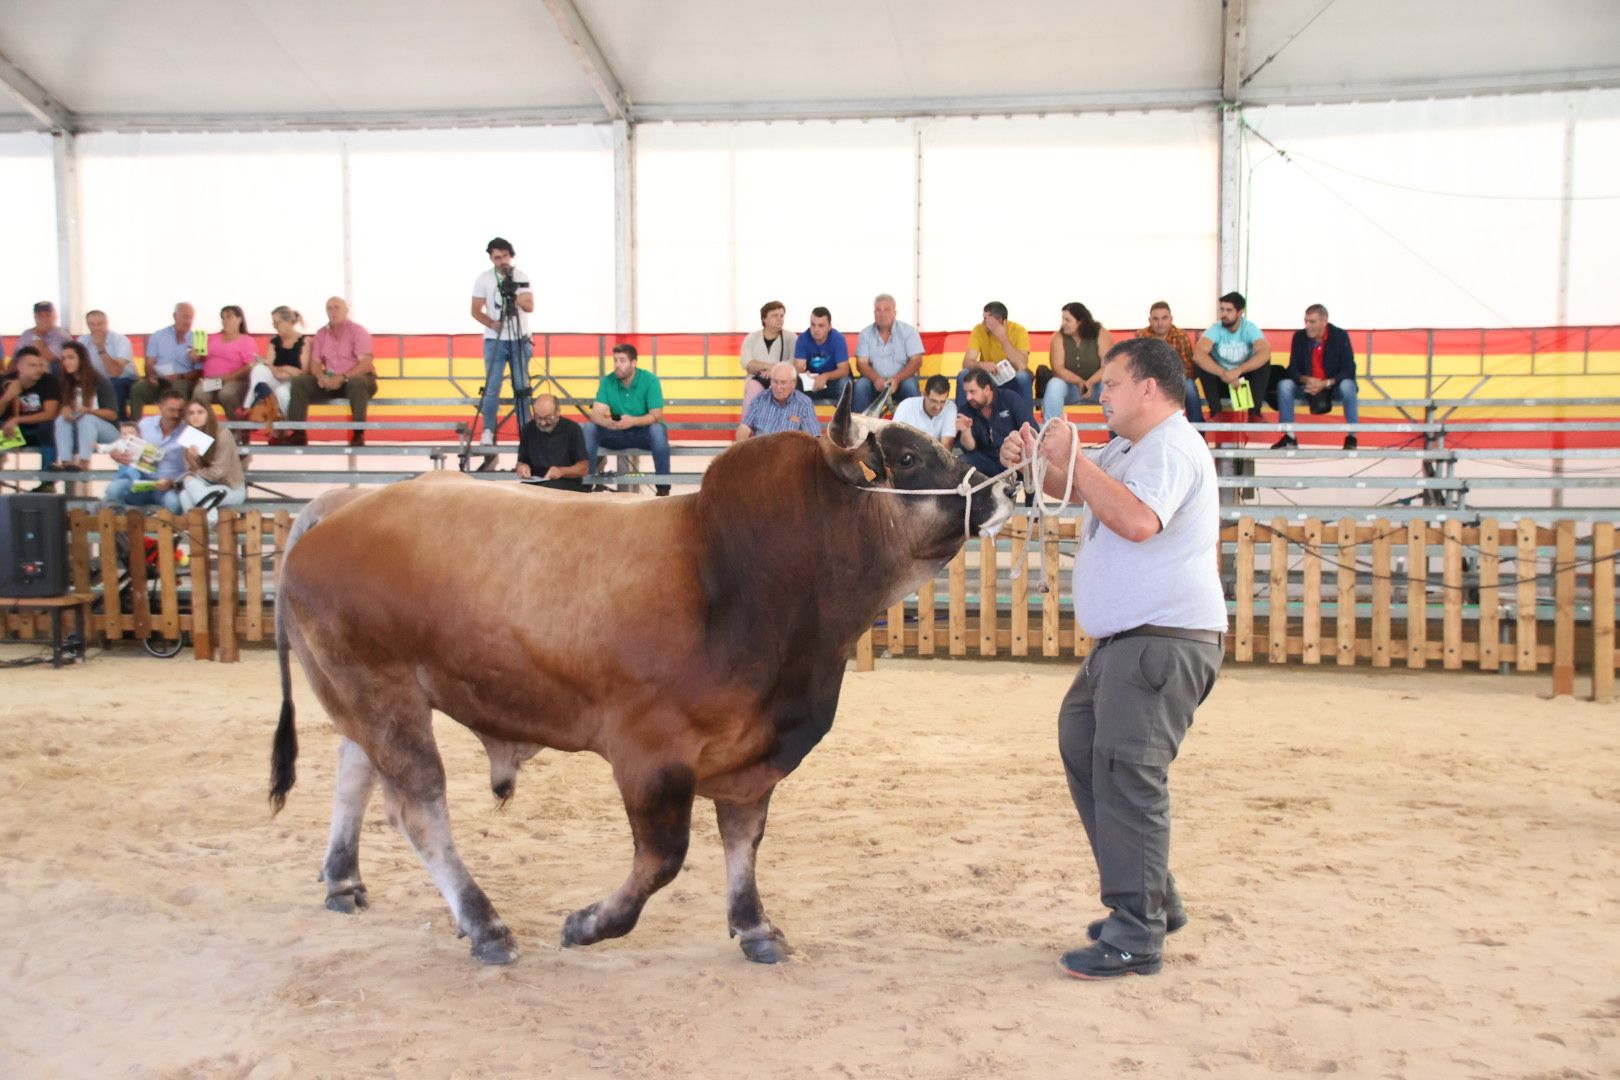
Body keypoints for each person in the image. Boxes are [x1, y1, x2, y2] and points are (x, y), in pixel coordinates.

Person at [998, 336, 1224, 981]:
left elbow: (1135, 520)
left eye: (1114, 384)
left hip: (1161, 639)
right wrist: (1030, 461)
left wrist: (1072, 460)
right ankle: (1152, 899)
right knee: (1087, 746)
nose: (1102, 393)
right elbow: (1073, 486)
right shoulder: (1131, 447)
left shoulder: (1174, 446)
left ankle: (1135, 933)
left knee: (1128, 774)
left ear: (1149, 387)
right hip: (1130, 641)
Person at [583, 343, 672, 496]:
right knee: (588, 428)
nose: (617, 365)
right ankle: (585, 483)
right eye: (615, 360)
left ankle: (663, 489)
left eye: (622, 360)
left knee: (658, 429)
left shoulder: (650, 380)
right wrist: (608, 423)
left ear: (633, 363)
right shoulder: (608, 381)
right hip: (616, 432)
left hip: (642, 434)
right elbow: (596, 414)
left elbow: (656, 416)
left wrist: (632, 421)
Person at [470, 236, 535, 443]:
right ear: (491, 258)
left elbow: (530, 306)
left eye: (505, 256)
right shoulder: (484, 279)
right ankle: (488, 430)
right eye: (497, 257)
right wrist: (491, 323)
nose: (502, 261)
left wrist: (514, 296)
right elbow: (475, 310)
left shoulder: (521, 276)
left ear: (511, 255)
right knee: (492, 388)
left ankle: (525, 431)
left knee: (521, 387)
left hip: (519, 338)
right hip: (494, 339)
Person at [288, 297, 376, 446]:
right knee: (299, 382)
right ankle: (298, 433)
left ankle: (358, 434)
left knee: (357, 382)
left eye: (337, 307)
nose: (333, 311)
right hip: (331, 379)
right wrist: (321, 377)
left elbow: (366, 363)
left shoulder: (358, 331)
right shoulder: (321, 334)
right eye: (329, 308)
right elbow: (315, 363)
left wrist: (342, 377)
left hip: (357, 379)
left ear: (346, 310)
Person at [1273, 304, 1359, 451]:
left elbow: (1349, 369)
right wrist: (1306, 380)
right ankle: (1290, 436)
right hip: (1307, 386)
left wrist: (1326, 383)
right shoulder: (1299, 337)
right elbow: (1292, 369)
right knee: (1284, 385)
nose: (1307, 326)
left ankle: (1352, 436)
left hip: (1332, 386)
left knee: (1348, 386)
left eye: (1312, 322)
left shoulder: (1340, 336)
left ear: (1324, 321)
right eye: (1305, 321)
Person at [104, 388, 190, 512]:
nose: (176, 415)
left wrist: (173, 482)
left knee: (174, 503)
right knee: (114, 489)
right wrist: (116, 453)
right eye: (171, 410)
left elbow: (197, 468)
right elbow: (126, 444)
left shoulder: (188, 431)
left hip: (170, 486)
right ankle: (119, 526)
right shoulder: (145, 424)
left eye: (180, 411)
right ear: (160, 407)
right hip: (142, 482)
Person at [1193, 291, 1271, 422]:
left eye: (1229, 310)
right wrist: (1223, 373)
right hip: (1221, 381)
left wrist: (1237, 371)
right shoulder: (1215, 329)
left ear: (1240, 312)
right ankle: (1216, 412)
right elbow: (1198, 355)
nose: (1224, 314)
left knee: (1263, 361)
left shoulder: (1249, 328)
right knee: (1201, 364)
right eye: (1222, 309)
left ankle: (1255, 413)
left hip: (1243, 382)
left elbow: (1265, 352)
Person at [50, 341, 118, 471]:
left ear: (82, 359)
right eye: (63, 359)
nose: (66, 362)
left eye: (71, 358)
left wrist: (89, 411)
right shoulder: (66, 383)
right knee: (61, 420)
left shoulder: (99, 381)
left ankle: (84, 462)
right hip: (80, 430)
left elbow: (112, 414)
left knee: (87, 419)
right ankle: (65, 462)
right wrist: (64, 409)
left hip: (107, 432)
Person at [955, 366, 1033, 478]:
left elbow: (1030, 428)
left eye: (972, 392)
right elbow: (970, 448)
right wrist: (965, 431)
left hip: (1012, 457)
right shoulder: (966, 409)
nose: (968, 397)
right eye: (966, 392)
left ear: (987, 389)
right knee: (962, 462)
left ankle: (1030, 495)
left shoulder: (1009, 399)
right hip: (986, 459)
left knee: (1030, 466)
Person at [853, 293, 925, 413]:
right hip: (874, 382)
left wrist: (897, 379)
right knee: (861, 386)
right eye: (878, 310)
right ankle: (859, 429)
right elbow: (861, 364)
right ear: (874, 313)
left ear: (895, 313)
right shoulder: (865, 334)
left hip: (901, 381)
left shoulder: (908, 331)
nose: (882, 314)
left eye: (887, 309)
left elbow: (917, 360)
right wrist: (876, 379)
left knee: (911, 385)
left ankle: (914, 429)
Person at [177, 399, 246, 524]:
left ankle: (207, 523)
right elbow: (191, 470)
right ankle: (206, 526)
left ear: (208, 414)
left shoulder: (223, 434)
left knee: (189, 483)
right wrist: (192, 459)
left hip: (231, 488)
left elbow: (219, 472)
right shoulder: (190, 436)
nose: (195, 416)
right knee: (184, 493)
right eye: (191, 413)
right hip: (205, 487)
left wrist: (196, 463)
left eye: (200, 412)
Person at [129, 303, 202, 420]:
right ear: (175, 316)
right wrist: (152, 375)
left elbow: (199, 370)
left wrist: (181, 376)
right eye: (185, 316)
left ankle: (179, 427)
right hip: (160, 380)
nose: (188, 321)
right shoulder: (158, 336)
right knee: (138, 388)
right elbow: (149, 362)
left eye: (190, 317)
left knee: (178, 387)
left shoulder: (197, 339)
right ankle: (134, 429)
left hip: (183, 380)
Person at [1135, 301, 1204, 425]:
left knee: (1189, 386)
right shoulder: (1141, 336)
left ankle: (1198, 430)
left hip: (1176, 380)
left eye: (1164, 318)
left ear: (1171, 319)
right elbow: (1139, 365)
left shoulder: (1181, 336)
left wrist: (1170, 379)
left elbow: (1188, 368)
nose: (1160, 323)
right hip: (1150, 380)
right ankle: (1138, 430)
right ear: (1149, 320)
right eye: (1156, 319)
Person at [1044, 302, 1114, 421]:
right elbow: (1058, 368)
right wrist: (1079, 382)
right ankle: (1051, 428)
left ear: (1080, 321)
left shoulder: (1101, 333)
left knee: (1108, 384)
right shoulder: (1058, 337)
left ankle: (1118, 431)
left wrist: (1090, 382)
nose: (1063, 323)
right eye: (1062, 319)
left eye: (1067, 320)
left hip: (1096, 387)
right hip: (1070, 388)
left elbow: (1107, 366)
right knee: (1054, 384)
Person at [0, 347, 61, 481]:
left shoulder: (49, 382)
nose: (38, 369)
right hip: (11, 434)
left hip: (38, 433)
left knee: (48, 427)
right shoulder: (5, 381)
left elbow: (50, 414)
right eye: (32, 365)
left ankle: (47, 479)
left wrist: (18, 419)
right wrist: (8, 396)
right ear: (19, 366)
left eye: (40, 365)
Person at [958, 301, 1033, 405]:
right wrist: (982, 365)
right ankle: (962, 417)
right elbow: (966, 363)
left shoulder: (1019, 331)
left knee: (1023, 377)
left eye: (986, 319)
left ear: (999, 321)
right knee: (964, 374)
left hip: (1011, 378)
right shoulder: (979, 329)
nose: (983, 323)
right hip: (987, 378)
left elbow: (1021, 365)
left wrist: (1003, 339)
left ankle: (1026, 420)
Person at [516, 393, 591, 492]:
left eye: (548, 418)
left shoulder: (572, 429)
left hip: (566, 484)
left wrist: (561, 471)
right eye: (538, 418)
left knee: (548, 489)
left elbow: (583, 468)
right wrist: (522, 467)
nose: (543, 423)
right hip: (536, 483)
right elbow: (521, 461)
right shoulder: (528, 429)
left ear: (558, 412)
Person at [192, 305, 258, 418]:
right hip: (212, 380)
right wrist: (194, 354)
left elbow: (250, 365)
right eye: (223, 318)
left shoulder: (246, 340)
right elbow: (198, 357)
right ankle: (202, 430)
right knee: (199, 393)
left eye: (229, 317)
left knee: (227, 393)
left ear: (239, 319)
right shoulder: (212, 338)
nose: (225, 321)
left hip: (235, 380)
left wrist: (229, 377)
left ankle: (237, 429)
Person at [247, 305, 310, 417]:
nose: (275, 327)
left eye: (277, 323)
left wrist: (279, 369)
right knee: (259, 369)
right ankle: (249, 406)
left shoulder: (305, 341)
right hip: (276, 378)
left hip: (294, 383)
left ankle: (288, 427)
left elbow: (302, 373)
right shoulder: (274, 341)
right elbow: (268, 365)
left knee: (282, 392)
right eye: (273, 323)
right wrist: (285, 369)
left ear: (288, 322)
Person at [736, 362, 821, 440]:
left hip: (790, 453)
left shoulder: (804, 404)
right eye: (775, 381)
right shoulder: (760, 399)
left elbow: (814, 437)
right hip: (761, 451)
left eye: (783, 382)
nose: (778, 387)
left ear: (793, 384)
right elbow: (744, 427)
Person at [739, 300, 797, 410]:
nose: (780, 319)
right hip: (757, 380)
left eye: (782, 315)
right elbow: (747, 363)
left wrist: (773, 372)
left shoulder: (791, 338)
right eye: (775, 315)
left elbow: (794, 363)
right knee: (753, 390)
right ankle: (747, 425)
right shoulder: (751, 338)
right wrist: (769, 367)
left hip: (783, 382)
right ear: (764, 318)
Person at [79, 310, 137, 419]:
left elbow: (115, 372)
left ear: (107, 323)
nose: (96, 328)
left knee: (114, 384)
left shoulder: (121, 340)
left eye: (100, 324)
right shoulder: (82, 341)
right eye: (92, 324)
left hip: (123, 379)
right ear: (87, 325)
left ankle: (119, 422)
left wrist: (101, 348)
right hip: (95, 380)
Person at [793, 307, 851, 403]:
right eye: (813, 325)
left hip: (833, 381)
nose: (816, 329)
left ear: (829, 327)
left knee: (845, 382)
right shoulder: (803, 339)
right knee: (794, 382)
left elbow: (844, 370)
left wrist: (825, 376)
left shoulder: (838, 338)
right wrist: (803, 373)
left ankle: (843, 415)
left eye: (821, 326)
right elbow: (799, 366)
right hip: (812, 382)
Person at [891, 374, 958, 449]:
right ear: (924, 394)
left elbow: (947, 446)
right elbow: (894, 439)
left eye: (942, 402)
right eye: (934, 401)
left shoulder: (950, 407)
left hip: (936, 457)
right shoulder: (906, 405)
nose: (938, 407)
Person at [16, 301, 72, 371]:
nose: (45, 319)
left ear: (55, 316)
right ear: (35, 317)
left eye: (48, 315)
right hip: (25, 372)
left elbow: (47, 358)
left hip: (51, 373)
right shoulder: (27, 334)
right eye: (41, 316)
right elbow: (16, 357)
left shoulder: (62, 335)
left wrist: (37, 336)